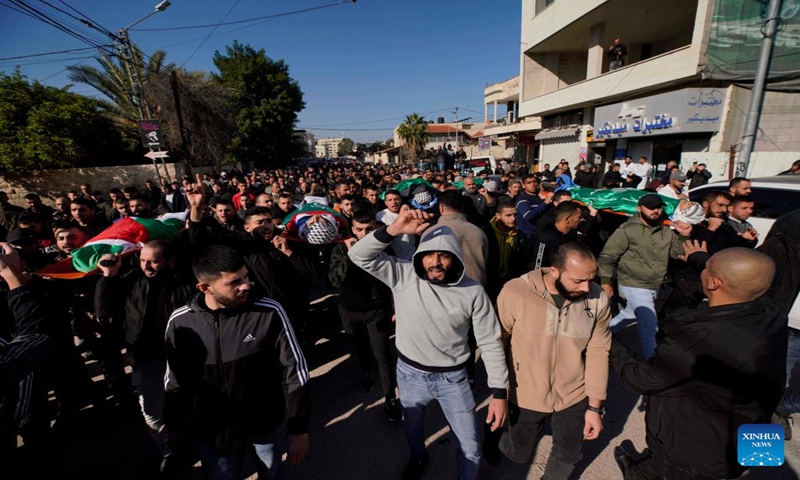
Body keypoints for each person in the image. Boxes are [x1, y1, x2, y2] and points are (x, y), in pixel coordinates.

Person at [349, 209, 509, 480]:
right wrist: (394, 229)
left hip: (454, 380)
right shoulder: (402, 275)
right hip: (410, 375)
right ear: (419, 256)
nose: (435, 262)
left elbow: (490, 342)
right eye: (429, 255)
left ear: (455, 257)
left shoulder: (473, 292)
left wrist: (499, 393)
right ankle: (417, 456)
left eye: (444, 255)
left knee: (470, 445)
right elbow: (358, 255)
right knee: (412, 428)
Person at [612, 247, 786, 480]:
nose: (702, 269)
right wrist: (697, 258)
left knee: (671, 471)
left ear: (714, 282)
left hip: (699, 452)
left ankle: (637, 474)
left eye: (706, 268)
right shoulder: (773, 316)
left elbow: (641, 378)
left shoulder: (701, 339)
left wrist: (607, 340)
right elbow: (736, 276)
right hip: (750, 435)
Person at [164, 245, 310, 479]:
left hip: (266, 426)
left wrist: (298, 429)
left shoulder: (268, 311)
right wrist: (175, 426)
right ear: (205, 288)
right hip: (214, 433)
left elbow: (295, 372)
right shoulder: (180, 323)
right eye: (234, 282)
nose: (245, 285)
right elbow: (174, 381)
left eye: (245, 277)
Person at [486, 243, 610, 478]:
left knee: (569, 454)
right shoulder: (515, 291)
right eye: (578, 281)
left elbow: (598, 351)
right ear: (554, 271)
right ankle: (495, 436)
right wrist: (498, 393)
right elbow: (496, 342)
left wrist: (595, 406)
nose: (587, 288)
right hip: (525, 392)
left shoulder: (597, 298)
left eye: (591, 279)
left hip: (574, 393)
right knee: (520, 453)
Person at [94, 240, 194, 468]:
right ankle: (168, 450)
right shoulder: (130, 280)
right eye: (142, 260)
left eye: (154, 261)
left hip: (181, 357)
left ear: (171, 261)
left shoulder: (187, 283)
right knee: (150, 408)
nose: (146, 266)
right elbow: (105, 312)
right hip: (144, 357)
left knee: (186, 403)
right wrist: (109, 276)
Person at [598, 194, 692, 360]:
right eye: (651, 207)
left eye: (658, 207)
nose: (656, 211)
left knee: (630, 314)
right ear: (639, 208)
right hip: (633, 282)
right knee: (649, 325)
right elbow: (607, 257)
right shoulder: (627, 231)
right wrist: (606, 282)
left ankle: (598, 334)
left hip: (654, 283)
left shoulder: (666, 230)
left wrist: (684, 235)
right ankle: (653, 362)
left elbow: (677, 253)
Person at [328, 210, 401, 421]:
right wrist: (351, 256)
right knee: (360, 347)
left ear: (376, 228)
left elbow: (395, 281)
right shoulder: (341, 249)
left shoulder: (385, 248)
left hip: (376, 309)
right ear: (352, 230)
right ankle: (367, 372)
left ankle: (390, 397)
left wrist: (395, 309)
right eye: (359, 230)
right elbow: (334, 280)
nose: (364, 234)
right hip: (350, 310)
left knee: (382, 353)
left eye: (368, 229)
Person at [423, 190, 488, 286]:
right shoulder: (478, 232)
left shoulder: (431, 232)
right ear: (462, 208)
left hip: (442, 291)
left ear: (441, 208)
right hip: (475, 288)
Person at [482, 198, 526, 302]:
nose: (513, 219)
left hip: (510, 282)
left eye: (515, 215)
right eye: (508, 215)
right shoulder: (485, 233)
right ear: (498, 216)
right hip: (489, 283)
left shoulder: (520, 236)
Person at [532, 201, 585, 270]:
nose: (581, 219)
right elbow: (538, 269)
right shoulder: (545, 240)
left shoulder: (572, 234)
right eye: (579, 217)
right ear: (567, 219)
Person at [376, 189, 416, 260]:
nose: (393, 202)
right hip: (394, 259)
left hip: (412, 256)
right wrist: (401, 215)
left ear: (400, 200)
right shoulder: (381, 215)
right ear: (386, 203)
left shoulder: (409, 212)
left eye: (396, 199)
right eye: (390, 200)